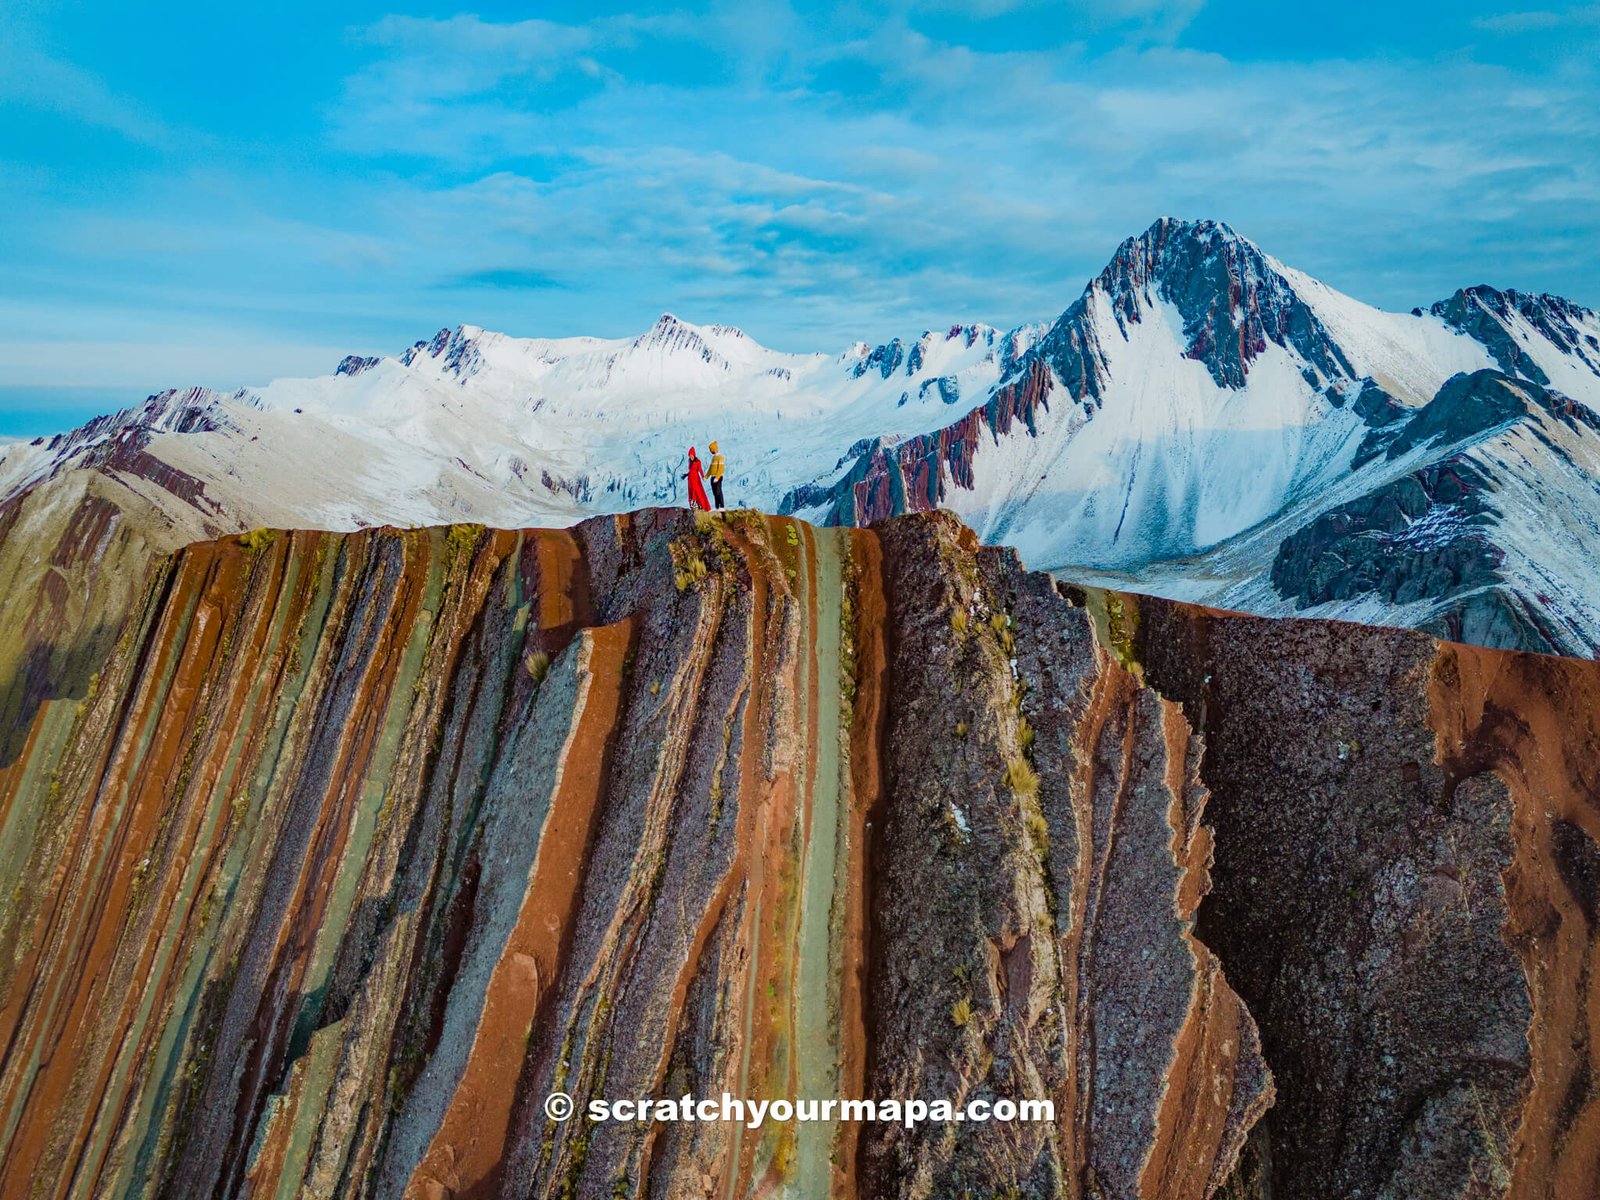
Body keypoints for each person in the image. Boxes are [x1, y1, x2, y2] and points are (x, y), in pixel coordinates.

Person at [683, 447, 711, 511]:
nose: (690, 457)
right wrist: (686, 475)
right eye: (690, 456)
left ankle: (702, 506)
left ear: (694, 455)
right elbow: (690, 470)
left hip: (695, 479)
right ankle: (694, 506)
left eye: (691, 455)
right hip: (690, 480)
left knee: (697, 491)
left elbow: (700, 470)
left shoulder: (698, 462)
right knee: (691, 492)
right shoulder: (690, 461)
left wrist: (703, 476)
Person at [707, 440, 726, 509]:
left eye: (711, 449)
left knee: (718, 492)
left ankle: (722, 506)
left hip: (717, 477)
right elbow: (710, 468)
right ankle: (717, 507)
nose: (710, 451)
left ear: (714, 449)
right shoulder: (714, 457)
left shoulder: (720, 457)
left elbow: (721, 468)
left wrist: (717, 477)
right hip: (713, 477)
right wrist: (706, 476)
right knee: (715, 493)